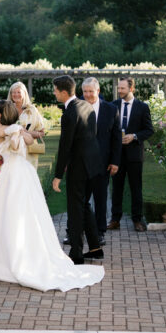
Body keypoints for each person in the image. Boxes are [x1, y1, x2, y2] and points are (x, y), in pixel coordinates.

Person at [0, 100, 104, 291]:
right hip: (25, 172)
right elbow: (29, 141)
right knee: (28, 215)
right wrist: (18, 130)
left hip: (11, 174)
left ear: (0, 115)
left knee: (5, 214)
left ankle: (4, 256)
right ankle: (25, 251)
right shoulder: (17, 130)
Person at [50, 75, 106, 263]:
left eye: (55, 90)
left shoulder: (69, 114)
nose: (54, 93)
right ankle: (96, 247)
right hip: (94, 164)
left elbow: (65, 147)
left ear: (64, 92)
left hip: (80, 167)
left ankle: (76, 253)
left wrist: (58, 176)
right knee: (83, 205)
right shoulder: (87, 106)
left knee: (75, 208)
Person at [65, 77, 120, 246]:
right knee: (78, 200)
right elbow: (68, 138)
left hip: (102, 164)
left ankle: (99, 232)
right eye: (85, 91)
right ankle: (73, 232)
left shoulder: (111, 110)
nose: (87, 94)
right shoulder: (74, 108)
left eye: (91, 91)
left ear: (98, 91)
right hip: (79, 163)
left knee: (100, 198)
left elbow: (116, 138)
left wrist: (115, 161)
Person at [109, 77, 154, 232]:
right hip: (117, 155)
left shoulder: (142, 107)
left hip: (135, 155)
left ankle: (137, 220)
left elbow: (149, 130)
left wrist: (134, 136)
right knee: (116, 188)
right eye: (119, 88)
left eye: (122, 88)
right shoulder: (113, 106)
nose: (119, 91)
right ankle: (115, 220)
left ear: (131, 89)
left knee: (136, 188)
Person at [8, 82, 47, 168]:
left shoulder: (32, 110)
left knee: (28, 178)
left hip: (28, 152)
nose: (16, 94)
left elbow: (42, 132)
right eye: (13, 92)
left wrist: (26, 132)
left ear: (24, 93)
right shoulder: (6, 109)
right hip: (10, 150)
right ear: (10, 94)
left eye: (19, 92)